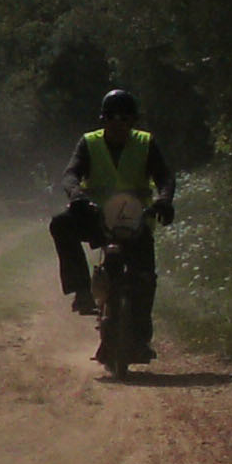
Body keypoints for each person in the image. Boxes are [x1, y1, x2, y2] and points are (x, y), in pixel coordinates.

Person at [49, 87, 175, 347]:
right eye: (111, 117)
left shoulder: (146, 143)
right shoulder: (89, 143)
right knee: (61, 223)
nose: (118, 124)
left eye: (124, 118)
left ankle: (141, 337)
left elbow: (164, 176)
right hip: (96, 216)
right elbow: (71, 174)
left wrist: (164, 200)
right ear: (102, 119)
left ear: (133, 121)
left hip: (136, 220)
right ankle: (82, 290)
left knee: (145, 277)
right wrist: (77, 195)